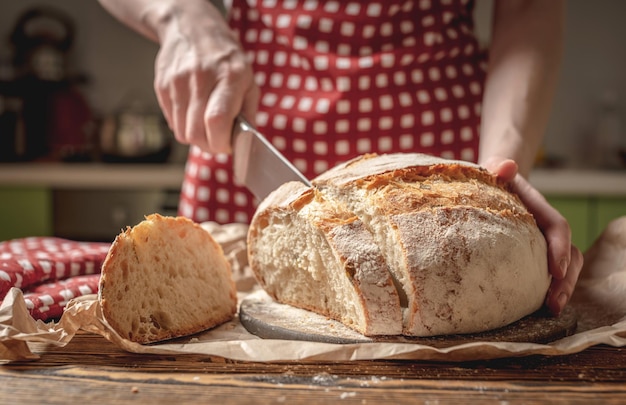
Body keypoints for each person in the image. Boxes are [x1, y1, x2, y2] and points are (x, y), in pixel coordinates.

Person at [97, 0, 582, 316]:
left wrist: (498, 172)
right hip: (243, 118)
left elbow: (528, 7)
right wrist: (180, 15)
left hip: (444, 168)